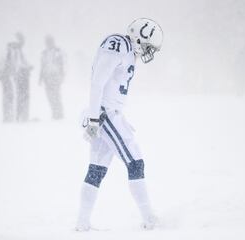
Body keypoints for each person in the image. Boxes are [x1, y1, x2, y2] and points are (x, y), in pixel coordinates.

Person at [76, 18, 163, 231]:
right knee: (135, 161)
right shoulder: (118, 44)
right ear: (140, 38)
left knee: (96, 169)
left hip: (110, 113)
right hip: (105, 114)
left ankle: (82, 222)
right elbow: (97, 83)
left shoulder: (129, 52)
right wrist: (95, 119)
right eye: (149, 46)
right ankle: (149, 218)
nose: (148, 52)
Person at [39, 35, 65, 119]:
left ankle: (59, 114)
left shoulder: (58, 51)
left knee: (56, 95)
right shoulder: (44, 53)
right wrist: (40, 78)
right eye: (47, 42)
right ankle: (55, 112)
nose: (48, 43)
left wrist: (62, 76)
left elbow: (62, 64)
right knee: (49, 96)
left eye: (49, 41)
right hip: (47, 77)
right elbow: (42, 66)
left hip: (55, 76)